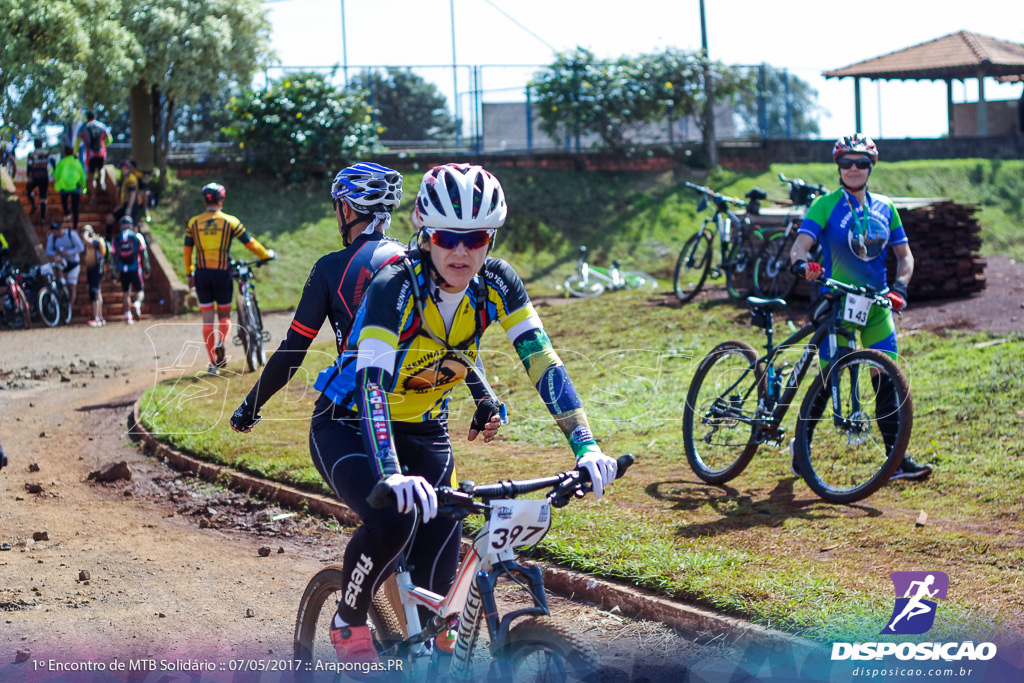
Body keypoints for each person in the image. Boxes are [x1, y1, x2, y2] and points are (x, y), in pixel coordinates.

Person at [284, 163, 617, 664]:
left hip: (424, 430)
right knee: (391, 520)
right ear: (424, 232)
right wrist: (392, 475)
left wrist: (586, 445)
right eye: (447, 237)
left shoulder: (498, 283)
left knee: (443, 591)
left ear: (491, 238)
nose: (462, 252)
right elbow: (373, 384)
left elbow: (544, 363)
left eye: (477, 238)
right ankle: (348, 617)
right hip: (350, 425)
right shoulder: (394, 285)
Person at [789, 134, 931, 481]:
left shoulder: (885, 206)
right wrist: (802, 264)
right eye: (846, 163)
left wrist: (900, 286)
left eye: (861, 163)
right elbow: (800, 247)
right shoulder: (825, 204)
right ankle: (801, 451)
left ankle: (895, 460)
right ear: (838, 167)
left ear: (871, 167)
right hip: (837, 303)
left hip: (877, 304)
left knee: (886, 380)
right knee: (828, 378)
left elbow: (905, 255)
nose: (854, 169)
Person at [184, 182, 274, 375]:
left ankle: (212, 365)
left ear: (205, 200)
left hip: (201, 274)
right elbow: (249, 243)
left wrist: (189, 272)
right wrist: (265, 255)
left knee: (207, 320)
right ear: (221, 199)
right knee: (224, 316)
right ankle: (221, 342)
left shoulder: (194, 223)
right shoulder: (229, 221)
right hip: (222, 273)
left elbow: (187, 250)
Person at [110, 215, 149, 325]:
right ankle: (137, 304)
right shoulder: (137, 237)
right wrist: (146, 268)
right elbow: (144, 254)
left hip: (123, 270)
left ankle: (128, 316)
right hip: (135, 268)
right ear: (131, 225)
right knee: (140, 291)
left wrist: (113, 273)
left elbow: (113, 258)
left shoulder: (116, 239)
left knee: (125, 293)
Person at [44, 220, 84, 311]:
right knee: (57, 263)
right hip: (62, 262)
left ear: (60, 229)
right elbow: (48, 251)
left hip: (74, 263)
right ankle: (62, 281)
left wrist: (68, 252)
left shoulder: (71, 234)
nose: (54, 233)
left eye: (55, 231)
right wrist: (56, 253)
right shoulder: (52, 237)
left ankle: (70, 308)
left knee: (72, 286)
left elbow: (81, 247)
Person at [74, 111, 112, 200]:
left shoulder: (83, 128)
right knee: (101, 169)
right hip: (101, 153)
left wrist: (75, 153)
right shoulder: (102, 126)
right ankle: (102, 182)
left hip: (90, 156)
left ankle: (93, 197)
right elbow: (110, 139)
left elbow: (77, 143)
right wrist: (104, 145)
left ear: (87, 118)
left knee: (91, 176)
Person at [81, 224, 110, 327]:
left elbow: (86, 240)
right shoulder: (95, 240)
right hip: (93, 270)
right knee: (97, 292)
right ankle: (99, 316)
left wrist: (85, 232)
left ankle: (96, 318)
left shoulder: (96, 240)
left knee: (94, 293)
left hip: (96, 270)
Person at [54, 146, 87, 233]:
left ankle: (67, 214)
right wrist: (84, 190)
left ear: (65, 153)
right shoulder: (77, 162)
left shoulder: (62, 162)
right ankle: (75, 226)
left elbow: (55, 175)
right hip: (76, 187)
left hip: (64, 187)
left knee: (65, 203)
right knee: (75, 208)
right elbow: (83, 178)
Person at [25, 139, 53, 224]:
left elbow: (29, 166)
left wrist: (28, 176)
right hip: (44, 177)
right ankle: (43, 218)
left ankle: (34, 204)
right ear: (42, 144)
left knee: (28, 191)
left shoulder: (31, 154)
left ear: (34, 145)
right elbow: (53, 163)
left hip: (34, 177)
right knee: (43, 198)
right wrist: (52, 174)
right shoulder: (46, 154)